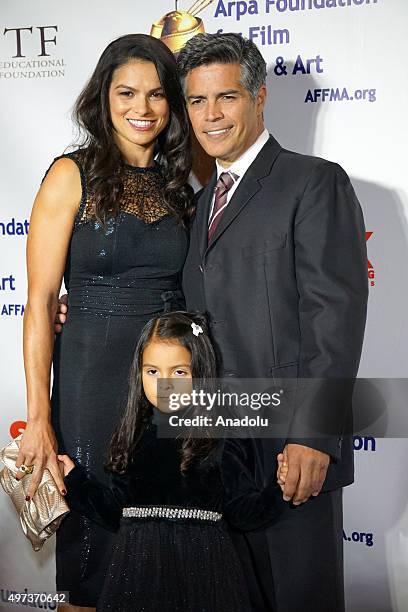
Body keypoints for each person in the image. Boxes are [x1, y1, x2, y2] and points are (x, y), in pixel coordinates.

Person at [176, 33, 368, 612]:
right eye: (196, 102)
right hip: (215, 444)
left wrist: (312, 437)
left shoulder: (312, 181)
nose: (210, 116)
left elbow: (333, 315)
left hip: (287, 450)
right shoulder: (198, 201)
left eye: (226, 98)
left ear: (259, 98)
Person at [18, 33, 193, 611]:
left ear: (172, 104)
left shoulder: (182, 186)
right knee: (92, 551)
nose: (141, 108)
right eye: (126, 92)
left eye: (156, 94)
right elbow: (42, 301)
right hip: (90, 380)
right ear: (103, 97)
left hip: (164, 386)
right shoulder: (72, 174)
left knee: (161, 540)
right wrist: (38, 416)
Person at [58, 311, 287, 612]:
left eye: (179, 373)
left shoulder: (221, 436)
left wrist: (281, 488)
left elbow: (242, 512)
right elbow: (115, 512)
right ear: (138, 374)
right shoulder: (131, 434)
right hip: (136, 575)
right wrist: (74, 479)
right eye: (152, 372)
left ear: (200, 371)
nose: (164, 384)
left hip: (205, 577)